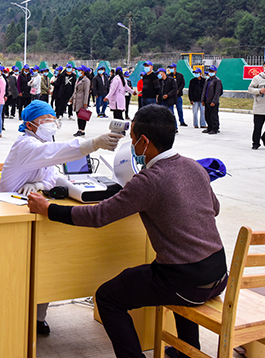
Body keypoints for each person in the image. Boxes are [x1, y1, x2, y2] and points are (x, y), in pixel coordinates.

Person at [27, 104, 227, 358]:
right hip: (218, 274)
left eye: (132, 138)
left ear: (144, 141)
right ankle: (188, 352)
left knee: (107, 298)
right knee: (169, 278)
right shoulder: (194, 166)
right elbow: (214, 208)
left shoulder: (149, 180)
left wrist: (49, 209)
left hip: (184, 282)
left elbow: (98, 216)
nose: (131, 144)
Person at [0, 100, 123, 336]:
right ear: (30, 125)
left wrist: (38, 184)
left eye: (53, 119)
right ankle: (14, 314)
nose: (52, 123)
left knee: (46, 262)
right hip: (10, 212)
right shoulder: (25, 145)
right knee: (20, 269)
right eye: (45, 120)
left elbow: (52, 175)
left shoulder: (43, 143)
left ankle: (38, 317)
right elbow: (53, 154)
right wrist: (92, 144)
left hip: (33, 211)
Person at [70, 65, 91, 137]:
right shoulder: (78, 79)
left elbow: (86, 92)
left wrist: (85, 102)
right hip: (76, 100)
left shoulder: (86, 80)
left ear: (83, 71)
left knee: (82, 116)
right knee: (78, 115)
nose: (78, 72)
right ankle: (79, 129)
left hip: (81, 100)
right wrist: (71, 99)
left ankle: (82, 130)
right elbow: (75, 91)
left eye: (80, 70)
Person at [202, 65, 222, 135]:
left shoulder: (217, 81)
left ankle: (215, 128)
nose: (210, 72)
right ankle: (209, 127)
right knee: (207, 115)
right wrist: (203, 100)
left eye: (212, 71)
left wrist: (214, 101)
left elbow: (217, 92)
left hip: (213, 101)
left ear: (215, 72)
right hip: (207, 100)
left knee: (213, 116)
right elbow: (204, 91)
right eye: (210, 71)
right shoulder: (207, 80)